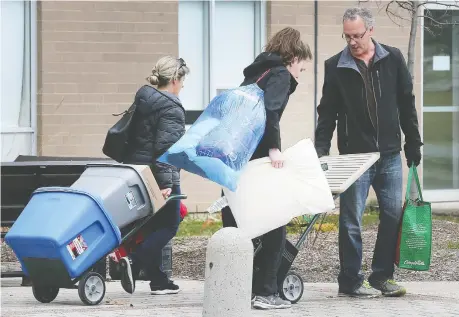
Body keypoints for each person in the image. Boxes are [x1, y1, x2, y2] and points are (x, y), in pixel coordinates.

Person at [314, 7, 423, 298]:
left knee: (391, 215)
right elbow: (327, 113)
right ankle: (349, 280)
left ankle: (381, 277)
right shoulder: (335, 65)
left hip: (388, 155)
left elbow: (406, 102)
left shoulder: (393, 58)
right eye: (347, 36)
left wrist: (413, 141)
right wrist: (321, 150)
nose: (351, 41)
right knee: (351, 220)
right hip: (355, 158)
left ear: (370, 30)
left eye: (357, 35)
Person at [221, 27, 312, 310]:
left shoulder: (256, 72)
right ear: (293, 57)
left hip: (235, 155)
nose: (301, 72)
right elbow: (269, 112)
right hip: (257, 158)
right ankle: (266, 291)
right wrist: (274, 149)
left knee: (236, 221)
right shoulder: (280, 74)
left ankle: (233, 287)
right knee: (275, 221)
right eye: (302, 66)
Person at [119, 55, 190, 295]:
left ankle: (158, 280)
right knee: (170, 224)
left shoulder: (145, 98)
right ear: (173, 79)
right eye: (182, 80)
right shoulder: (171, 107)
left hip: (137, 171)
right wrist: (167, 184)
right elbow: (165, 150)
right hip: (158, 175)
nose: (182, 86)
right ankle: (133, 262)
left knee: (155, 226)